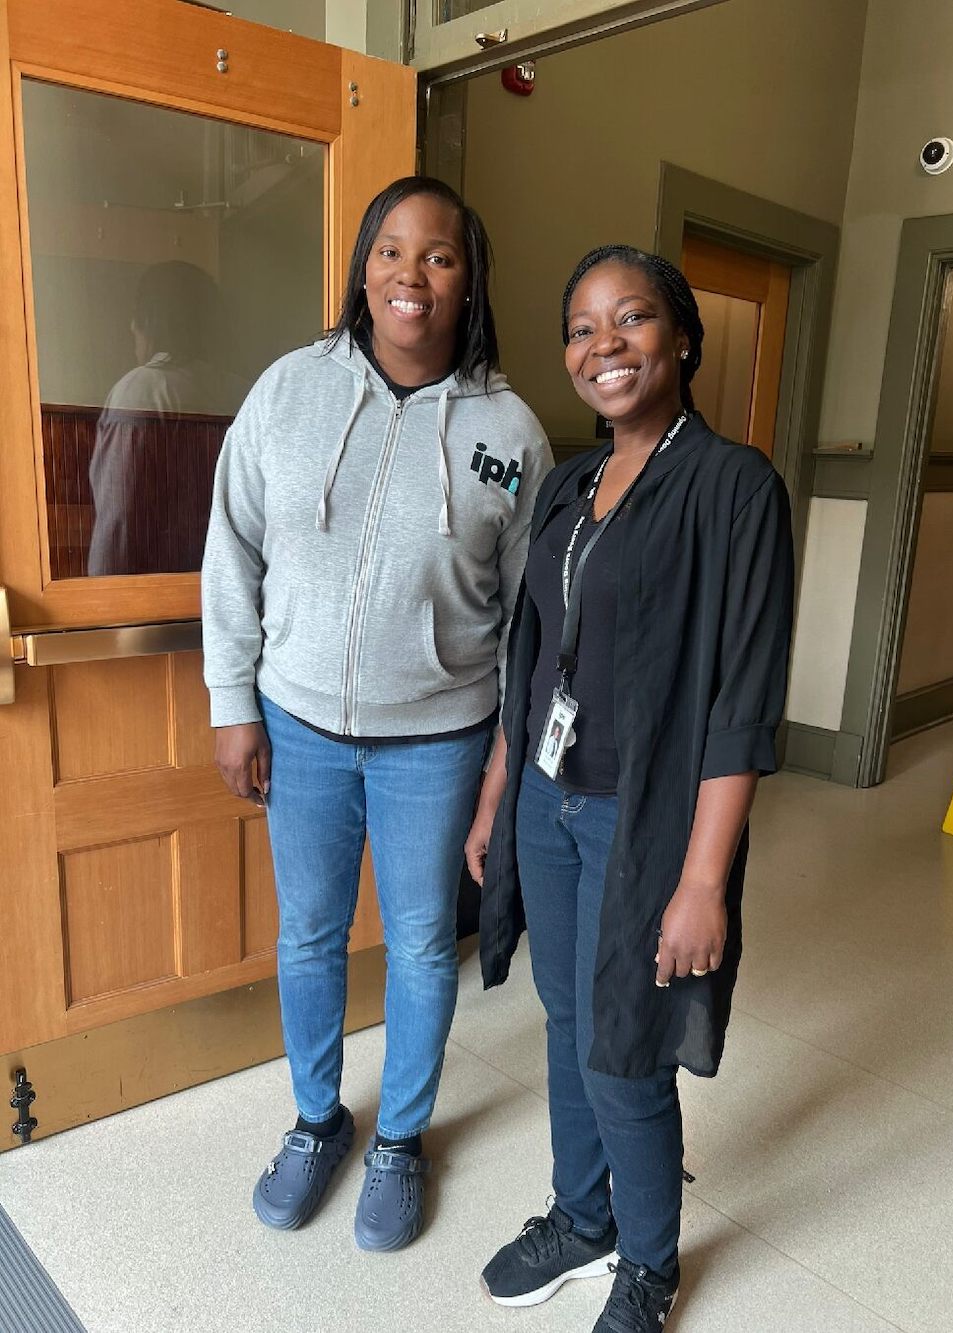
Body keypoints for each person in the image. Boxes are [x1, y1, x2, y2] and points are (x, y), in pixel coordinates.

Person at [201, 176, 551, 1252]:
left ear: (468, 280)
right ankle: (317, 1122)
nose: (412, 274)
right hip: (297, 721)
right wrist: (231, 700)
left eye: (439, 255)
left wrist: (503, 758)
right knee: (307, 934)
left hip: (437, 739)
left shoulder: (510, 430)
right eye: (391, 251)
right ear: (362, 268)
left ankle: (398, 1140)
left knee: (413, 944)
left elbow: (530, 610)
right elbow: (234, 547)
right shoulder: (288, 392)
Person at [467, 245, 794, 1331]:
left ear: (682, 337)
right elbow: (534, 659)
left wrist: (703, 879)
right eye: (580, 328)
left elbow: (742, 700)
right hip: (551, 805)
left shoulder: (733, 486)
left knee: (625, 1038)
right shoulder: (570, 479)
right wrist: (499, 797)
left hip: (641, 818)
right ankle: (583, 1214)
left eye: (631, 319)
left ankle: (646, 1263)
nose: (603, 345)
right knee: (567, 1023)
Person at [88, 261, 246, 576]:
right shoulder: (244, 391)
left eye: (139, 315)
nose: (132, 326)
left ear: (150, 320)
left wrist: (101, 602)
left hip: (156, 596)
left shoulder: (142, 390)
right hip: (226, 588)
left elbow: (119, 519)